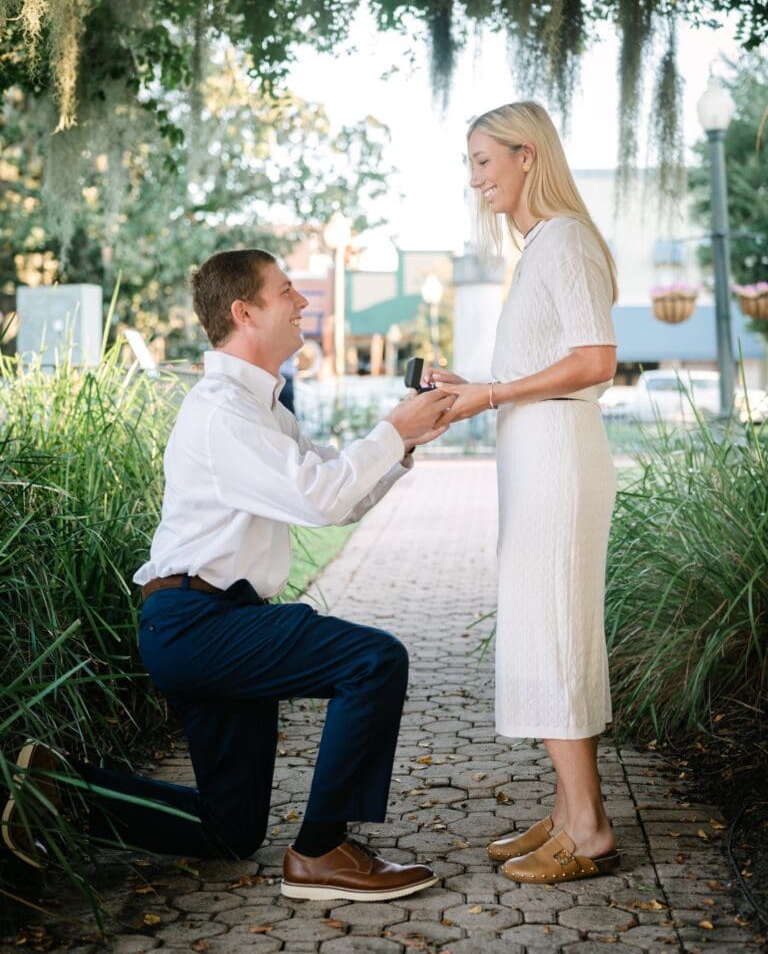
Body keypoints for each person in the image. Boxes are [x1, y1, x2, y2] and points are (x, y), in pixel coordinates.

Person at [3, 248, 453, 901]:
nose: (303, 303)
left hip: (214, 624)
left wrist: (407, 437)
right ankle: (322, 851)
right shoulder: (222, 412)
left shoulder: (262, 411)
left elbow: (337, 498)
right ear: (244, 312)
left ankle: (62, 788)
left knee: (228, 832)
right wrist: (391, 428)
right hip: (198, 623)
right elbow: (321, 495)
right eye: (287, 292)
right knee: (373, 661)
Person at [428, 101, 621, 884]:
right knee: (547, 628)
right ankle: (571, 812)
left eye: (483, 161)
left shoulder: (566, 242)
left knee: (552, 631)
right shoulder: (542, 247)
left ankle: (590, 828)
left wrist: (496, 392)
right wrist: (477, 389)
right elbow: (551, 363)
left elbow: (596, 359)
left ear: (526, 155)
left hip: (558, 458)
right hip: (539, 455)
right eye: (470, 165)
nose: (475, 178)